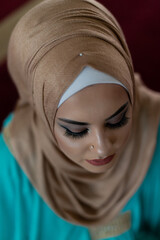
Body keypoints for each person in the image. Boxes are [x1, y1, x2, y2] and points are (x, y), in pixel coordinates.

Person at [0, 0, 160, 239]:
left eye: (117, 121)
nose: (103, 147)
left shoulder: (154, 129)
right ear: (42, 115)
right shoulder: (12, 165)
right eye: (76, 131)